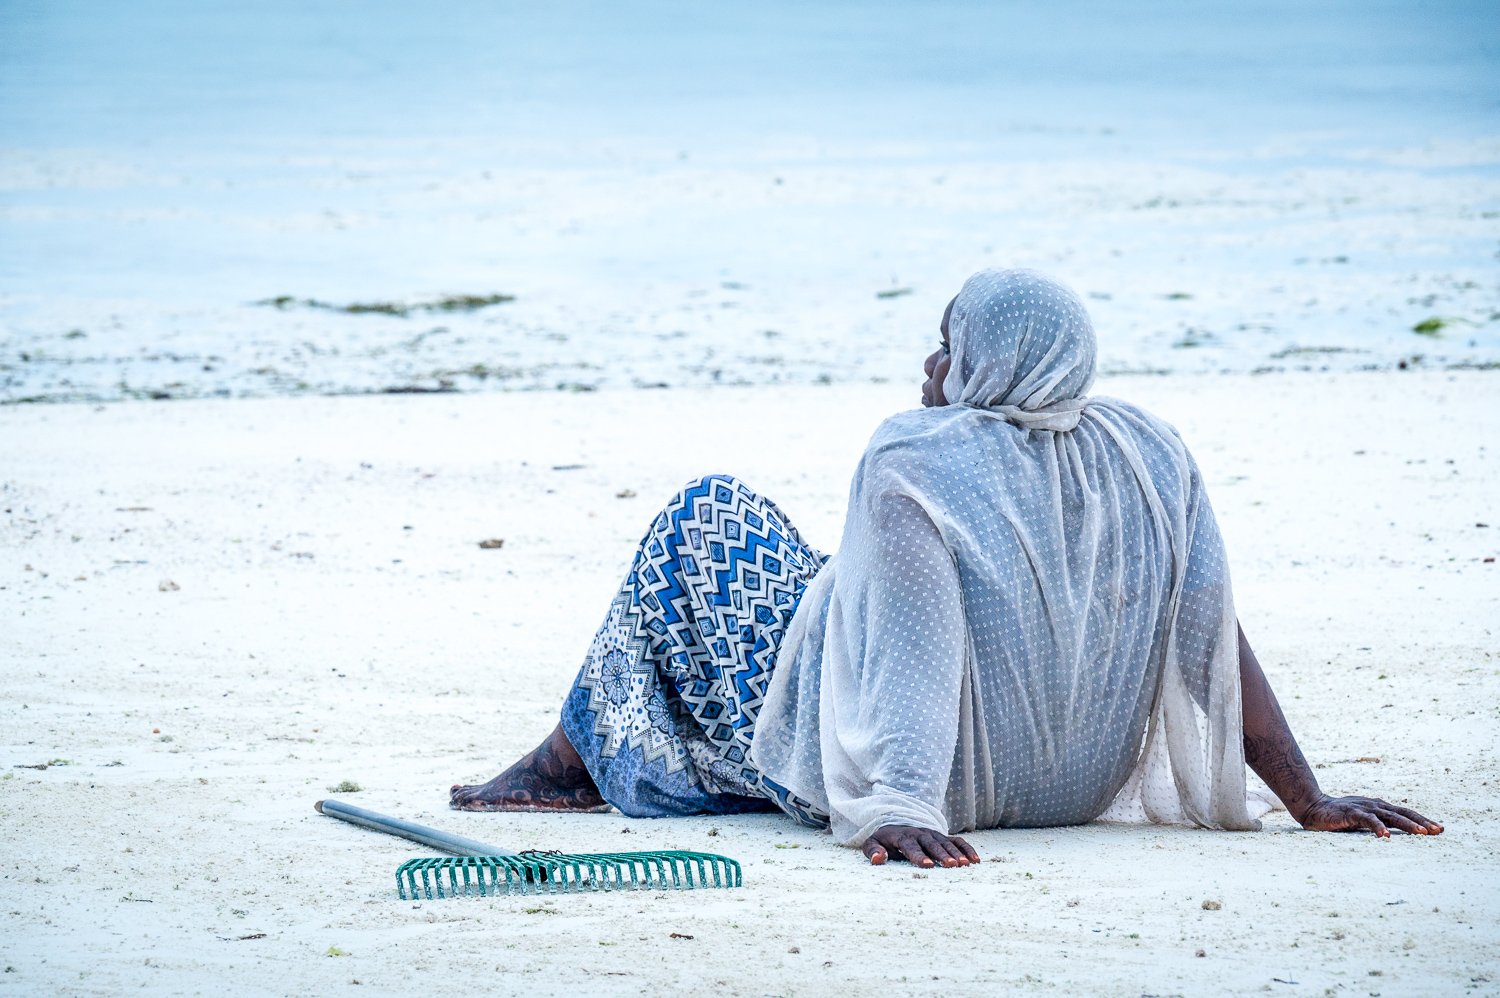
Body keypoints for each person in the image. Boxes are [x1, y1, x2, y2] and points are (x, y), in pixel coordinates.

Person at [451, 268, 1443, 867]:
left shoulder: (917, 460)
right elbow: (1209, 637)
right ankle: (575, 755)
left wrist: (904, 805)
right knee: (829, 575)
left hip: (946, 786)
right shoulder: (1150, 452)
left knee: (703, 517)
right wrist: (1305, 794)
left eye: (948, 346)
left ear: (989, 363)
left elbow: (920, 651)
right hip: (1069, 786)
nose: (932, 369)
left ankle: (560, 761)